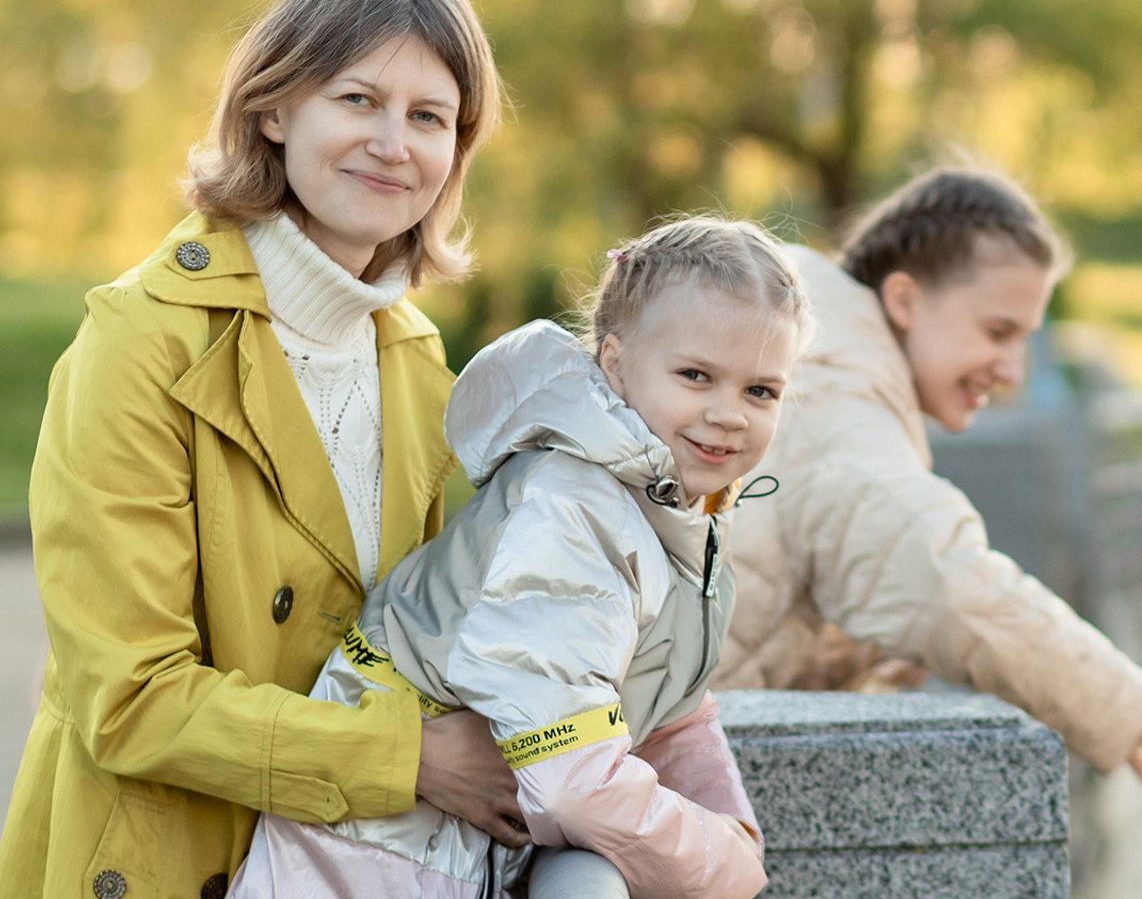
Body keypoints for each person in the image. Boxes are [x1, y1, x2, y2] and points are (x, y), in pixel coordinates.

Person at [0, 0, 518, 899]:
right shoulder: (142, 341)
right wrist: (409, 761)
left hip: (342, 868)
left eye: (429, 116)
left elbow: (415, 636)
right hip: (164, 861)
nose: (394, 143)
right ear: (273, 108)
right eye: (358, 99)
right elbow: (130, 699)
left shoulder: (416, 361)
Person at [228, 216, 812, 899]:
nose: (729, 414)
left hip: (441, 855)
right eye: (695, 375)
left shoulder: (678, 514)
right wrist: (722, 864)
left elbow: (667, 698)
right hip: (371, 863)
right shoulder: (572, 510)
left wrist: (728, 822)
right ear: (616, 364)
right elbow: (569, 784)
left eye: (760, 391)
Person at [714, 166, 1142, 785]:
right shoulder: (842, 401)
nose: (1012, 370)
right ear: (905, 301)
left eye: (1023, 340)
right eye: (998, 332)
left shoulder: (807, 353)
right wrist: (1124, 703)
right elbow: (949, 581)